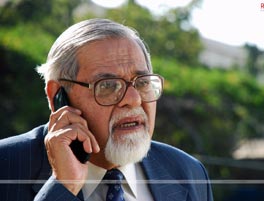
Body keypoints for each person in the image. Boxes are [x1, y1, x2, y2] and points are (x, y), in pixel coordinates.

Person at [0, 18, 213, 201]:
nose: (133, 99)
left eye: (142, 82)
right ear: (58, 96)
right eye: (108, 85)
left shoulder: (188, 172)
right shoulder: (6, 166)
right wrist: (63, 186)